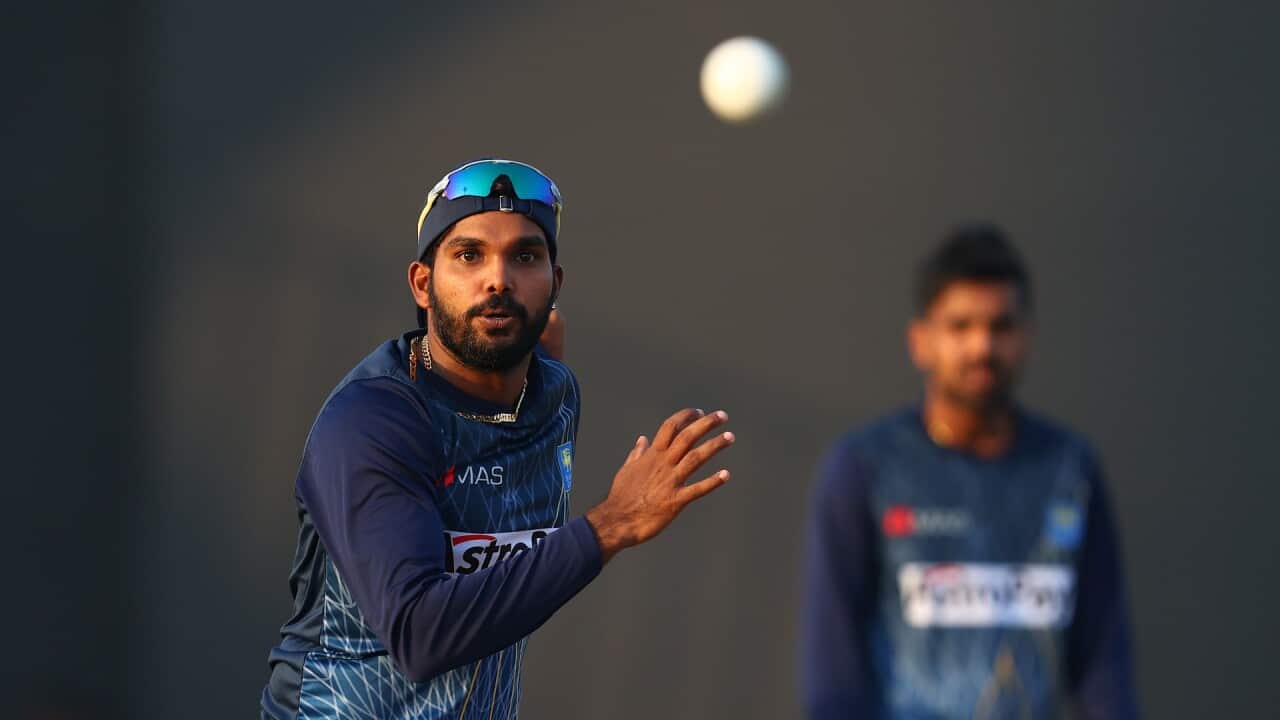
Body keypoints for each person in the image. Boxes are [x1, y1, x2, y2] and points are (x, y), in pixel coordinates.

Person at [261, 159, 735, 719]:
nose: (497, 280)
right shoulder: (372, 422)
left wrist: (526, 328)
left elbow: (531, 346)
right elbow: (420, 634)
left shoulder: (552, 394)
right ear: (421, 283)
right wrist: (613, 523)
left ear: (554, 285)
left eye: (525, 257)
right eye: (468, 255)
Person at [802, 224, 1139, 719]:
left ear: (1027, 336)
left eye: (1001, 326)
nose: (982, 346)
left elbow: (1103, 657)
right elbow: (834, 668)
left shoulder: (1071, 470)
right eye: (960, 326)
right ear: (921, 341)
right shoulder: (864, 469)